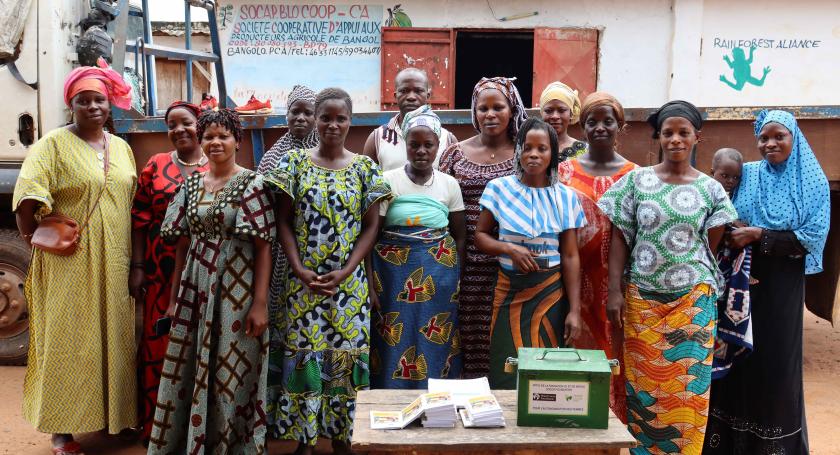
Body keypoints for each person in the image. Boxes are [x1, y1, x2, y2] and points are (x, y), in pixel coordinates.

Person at [598, 100, 737, 454]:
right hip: (641, 300)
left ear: (696, 138)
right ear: (658, 137)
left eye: (683, 133)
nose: (675, 139)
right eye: (668, 132)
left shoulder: (710, 189)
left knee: (688, 391)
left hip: (693, 302)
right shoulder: (635, 183)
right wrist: (614, 290)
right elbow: (620, 237)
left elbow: (710, 242)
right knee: (644, 391)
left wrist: (688, 270)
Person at [13, 59, 136, 455]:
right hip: (70, 261)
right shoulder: (51, 144)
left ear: (109, 103)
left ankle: (111, 420)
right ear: (72, 104)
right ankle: (62, 432)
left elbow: (129, 202)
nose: (93, 107)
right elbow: (27, 194)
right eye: (84, 100)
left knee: (113, 336)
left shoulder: (121, 148)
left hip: (114, 258)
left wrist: (136, 264)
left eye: (99, 99)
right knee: (69, 339)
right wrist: (33, 236)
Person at [265, 88, 390, 455]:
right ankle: (305, 438)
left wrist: (349, 271)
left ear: (351, 121)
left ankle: (340, 437)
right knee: (306, 355)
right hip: (303, 286)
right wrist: (300, 269)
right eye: (326, 117)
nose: (332, 125)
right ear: (316, 121)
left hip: (348, 288)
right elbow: (283, 222)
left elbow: (372, 227)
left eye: (341, 118)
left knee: (345, 357)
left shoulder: (365, 168)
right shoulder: (294, 164)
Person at [147, 109, 274, 454]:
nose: (215, 142)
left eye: (223, 136)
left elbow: (264, 247)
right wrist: (174, 299)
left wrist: (260, 303)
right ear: (201, 143)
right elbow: (183, 245)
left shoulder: (253, 183)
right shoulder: (190, 185)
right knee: (188, 367)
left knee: (231, 372)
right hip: (195, 287)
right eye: (209, 137)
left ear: (237, 140)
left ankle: (230, 445)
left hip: (238, 291)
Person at [704, 110, 830, 455]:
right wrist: (735, 230)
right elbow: (723, 210)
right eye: (764, 137)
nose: (770, 143)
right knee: (733, 356)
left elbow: (812, 236)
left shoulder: (813, 182)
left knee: (775, 361)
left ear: (795, 139)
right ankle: (724, 444)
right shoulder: (749, 174)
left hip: (781, 285)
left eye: (779, 136)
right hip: (740, 283)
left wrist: (759, 234)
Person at [475, 118, 585, 389]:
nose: (534, 155)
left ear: (553, 154)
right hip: (509, 291)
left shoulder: (566, 197)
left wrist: (575, 310)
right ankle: (508, 429)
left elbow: (570, 256)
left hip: (550, 294)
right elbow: (480, 236)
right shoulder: (499, 189)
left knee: (546, 370)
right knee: (505, 365)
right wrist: (508, 248)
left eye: (542, 149)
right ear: (518, 151)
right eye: (527, 147)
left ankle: (543, 428)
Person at [369, 105, 466, 389]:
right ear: (405, 145)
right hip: (391, 275)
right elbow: (373, 234)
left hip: (440, 277)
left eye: (428, 145)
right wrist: (372, 284)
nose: (421, 151)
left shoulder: (449, 185)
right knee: (393, 333)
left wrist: (454, 277)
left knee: (435, 334)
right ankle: (390, 396)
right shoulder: (388, 181)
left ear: (438, 146)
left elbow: (459, 235)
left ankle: (435, 397)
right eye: (414, 144)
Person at [438, 76, 528, 378]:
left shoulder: (524, 153)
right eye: (482, 108)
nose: (490, 115)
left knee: (504, 339)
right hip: (464, 263)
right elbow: (442, 203)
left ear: (512, 109)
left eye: (498, 107)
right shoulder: (454, 154)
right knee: (467, 337)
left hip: (510, 265)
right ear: (474, 113)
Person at [130, 100, 209, 444]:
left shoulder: (217, 165)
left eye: (186, 123)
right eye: (172, 125)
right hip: (160, 275)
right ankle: (156, 428)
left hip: (206, 273)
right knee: (159, 348)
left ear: (200, 125)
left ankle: (195, 430)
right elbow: (138, 219)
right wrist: (137, 267)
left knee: (200, 350)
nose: (179, 130)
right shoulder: (156, 165)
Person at [557, 91, 637, 421]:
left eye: (608, 121)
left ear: (621, 126)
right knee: (575, 347)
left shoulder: (636, 175)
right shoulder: (564, 171)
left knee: (616, 349)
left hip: (618, 282)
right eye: (592, 122)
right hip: (573, 279)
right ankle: (575, 421)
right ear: (583, 126)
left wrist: (617, 286)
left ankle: (613, 422)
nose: (600, 127)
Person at [256, 85, 320, 378]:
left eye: (308, 112)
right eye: (295, 111)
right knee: (281, 314)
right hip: (280, 251)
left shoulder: (326, 153)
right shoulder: (271, 157)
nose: (301, 118)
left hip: (318, 246)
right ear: (287, 114)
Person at [707, 147, 754, 381]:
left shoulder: (734, 197)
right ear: (712, 170)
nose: (730, 181)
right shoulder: (706, 192)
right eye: (725, 175)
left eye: (735, 177)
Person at [362, 67, 457, 171]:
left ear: (428, 95)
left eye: (418, 91)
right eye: (404, 91)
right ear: (395, 96)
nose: (411, 97)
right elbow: (367, 182)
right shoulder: (378, 138)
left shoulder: (447, 139)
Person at [539, 81, 587, 158]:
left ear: (571, 114)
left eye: (561, 110)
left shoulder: (585, 152)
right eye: (548, 111)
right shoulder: (530, 150)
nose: (555, 116)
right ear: (542, 113)